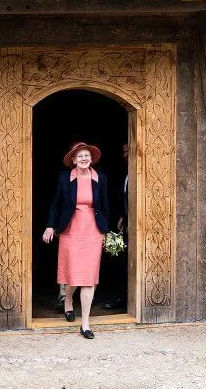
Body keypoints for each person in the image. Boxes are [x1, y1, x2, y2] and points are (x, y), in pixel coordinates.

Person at [42, 142, 110, 339]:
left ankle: (85, 324)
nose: (83, 159)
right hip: (71, 230)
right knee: (73, 274)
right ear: (73, 159)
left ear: (91, 159)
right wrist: (50, 225)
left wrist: (106, 231)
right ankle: (68, 299)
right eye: (79, 156)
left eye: (86, 155)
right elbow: (56, 204)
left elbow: (105, 206)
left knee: (89, 277)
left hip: (93, 230)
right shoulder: (65, 178)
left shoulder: (101, 178)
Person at [104, 143, 129, 310]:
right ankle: (120, 297)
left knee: (125, 262)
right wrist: (122, 216)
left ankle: (125, 298)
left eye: (128, 151)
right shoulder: (122, 173)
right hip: (118, 226)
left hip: (133, 227)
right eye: (124, 152)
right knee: (116, 259)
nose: (125, 155)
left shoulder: (137, 173)